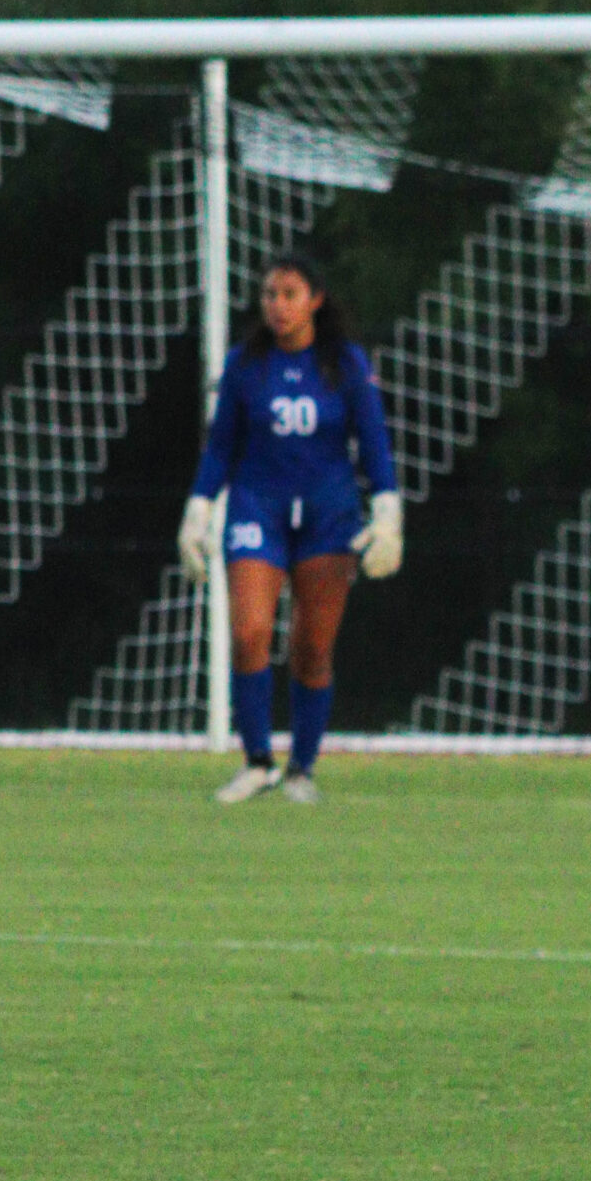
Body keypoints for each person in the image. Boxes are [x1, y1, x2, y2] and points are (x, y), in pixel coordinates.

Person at [177, 251, 403, 805]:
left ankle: (302, 768)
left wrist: (388, 513)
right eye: (270, 295)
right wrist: (199, 509)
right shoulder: (246, 364)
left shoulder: (344, 364)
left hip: (328, 514)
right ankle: (257, 762)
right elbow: (222, 445)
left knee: (311, 648)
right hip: (259, 507)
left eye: (290, 294)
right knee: (249, 631)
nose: (278, 306)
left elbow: (373, 443)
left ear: (316, 301)